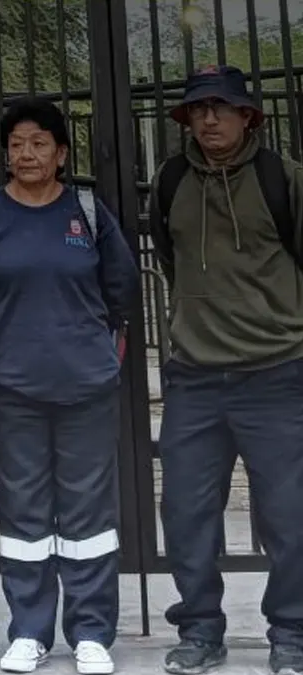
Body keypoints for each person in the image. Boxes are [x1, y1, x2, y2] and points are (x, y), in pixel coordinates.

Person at [0, 98, 139, 675]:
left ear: (61, 153)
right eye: (16, 144)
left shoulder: (86, 210)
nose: (27, 153)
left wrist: (88, 342)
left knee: (87, 515)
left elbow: (121, 287)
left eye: (39, 143)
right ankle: (30, 631)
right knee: (25, 513)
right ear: (5, 154)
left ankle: (90, 632)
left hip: (86, 383)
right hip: (14, 386)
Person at [148, 65, 303, 675]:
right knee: (186, 512)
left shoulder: (282, 179)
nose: (209, 119)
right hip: (194, 377)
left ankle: (291, 631)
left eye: (221, 107)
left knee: (289, 515)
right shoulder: (171, 180)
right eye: (198, 109)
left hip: (278, 373)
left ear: (248, 116)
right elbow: (169, 256)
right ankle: (200, 630)